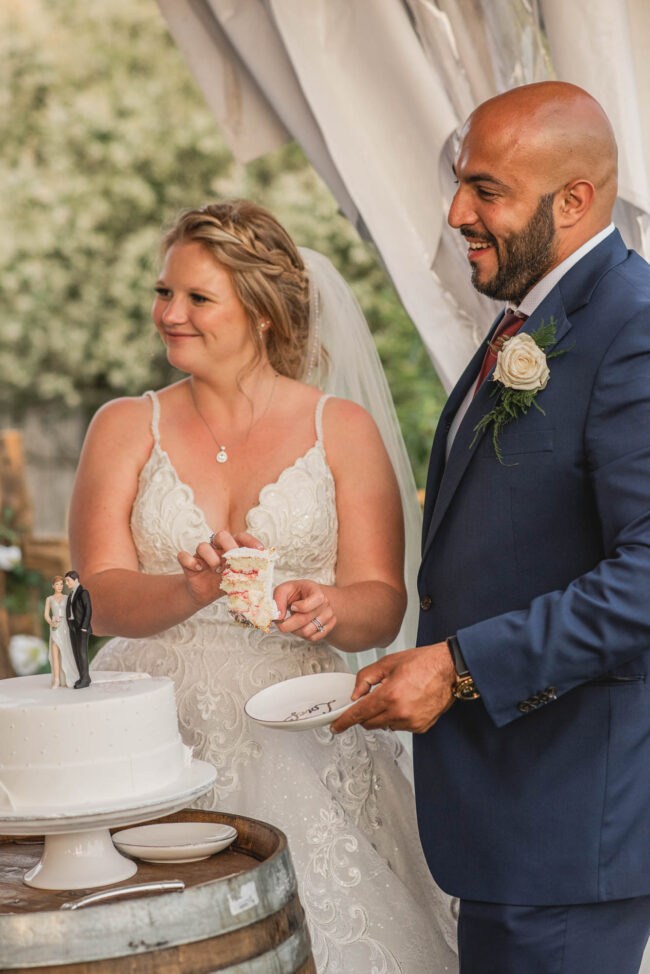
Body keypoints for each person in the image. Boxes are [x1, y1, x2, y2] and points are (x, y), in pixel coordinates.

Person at [69, 200, 457, 972]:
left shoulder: (340, 429)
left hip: (296, 722)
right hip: (148, 732)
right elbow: (102, 595)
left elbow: (380, 602)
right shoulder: (122, 425)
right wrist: (193, 590)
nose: (169, 315)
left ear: (265, 313)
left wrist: (330, 608)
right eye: (163, 292)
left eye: (198, 298)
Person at [332, 81, 650, 972]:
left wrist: (461, 667)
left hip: (565, 815)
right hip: (511, 813)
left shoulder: (633, 328)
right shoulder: (533, 321)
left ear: (576, 199)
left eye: (487, 190)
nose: (456, 211)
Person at [44, 575, 78, 688]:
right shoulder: (49, 599)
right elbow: (46, 614)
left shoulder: (67, 597)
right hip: (55, 627)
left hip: (65, 627)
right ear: (53, 586)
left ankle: (68, 675)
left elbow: (72, 612)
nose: (60, 586)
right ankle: (56, 679)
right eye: (57, 584)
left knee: (66, 650)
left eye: (61, 584)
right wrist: (51, 622)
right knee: (54, 650)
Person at [64, 569, 92, 688]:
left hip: (81, 627)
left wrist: (84, 627)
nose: (66, 583)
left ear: (75, 580)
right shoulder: (71, 594)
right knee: (76, 653)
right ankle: (82, 677)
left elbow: (88, 610)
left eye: (68, 580)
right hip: (73, 626)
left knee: (82, 653)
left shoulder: (83, 592)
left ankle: (86, 678)